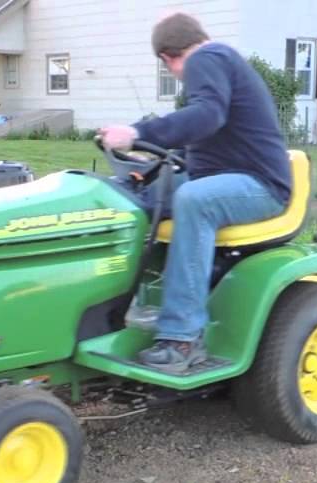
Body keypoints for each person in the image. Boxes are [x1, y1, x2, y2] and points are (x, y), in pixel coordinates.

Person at [99, 12, 292, 373]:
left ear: (167, 57)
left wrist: (137, 133)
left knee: (194, 200)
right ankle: (125, 305)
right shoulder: (217, 66)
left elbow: (207, 117)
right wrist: (148, 169)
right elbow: (204, 141)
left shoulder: (208, 58)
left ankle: (183, 339)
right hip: (226, 176)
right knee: (134, 198)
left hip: (261, 185)